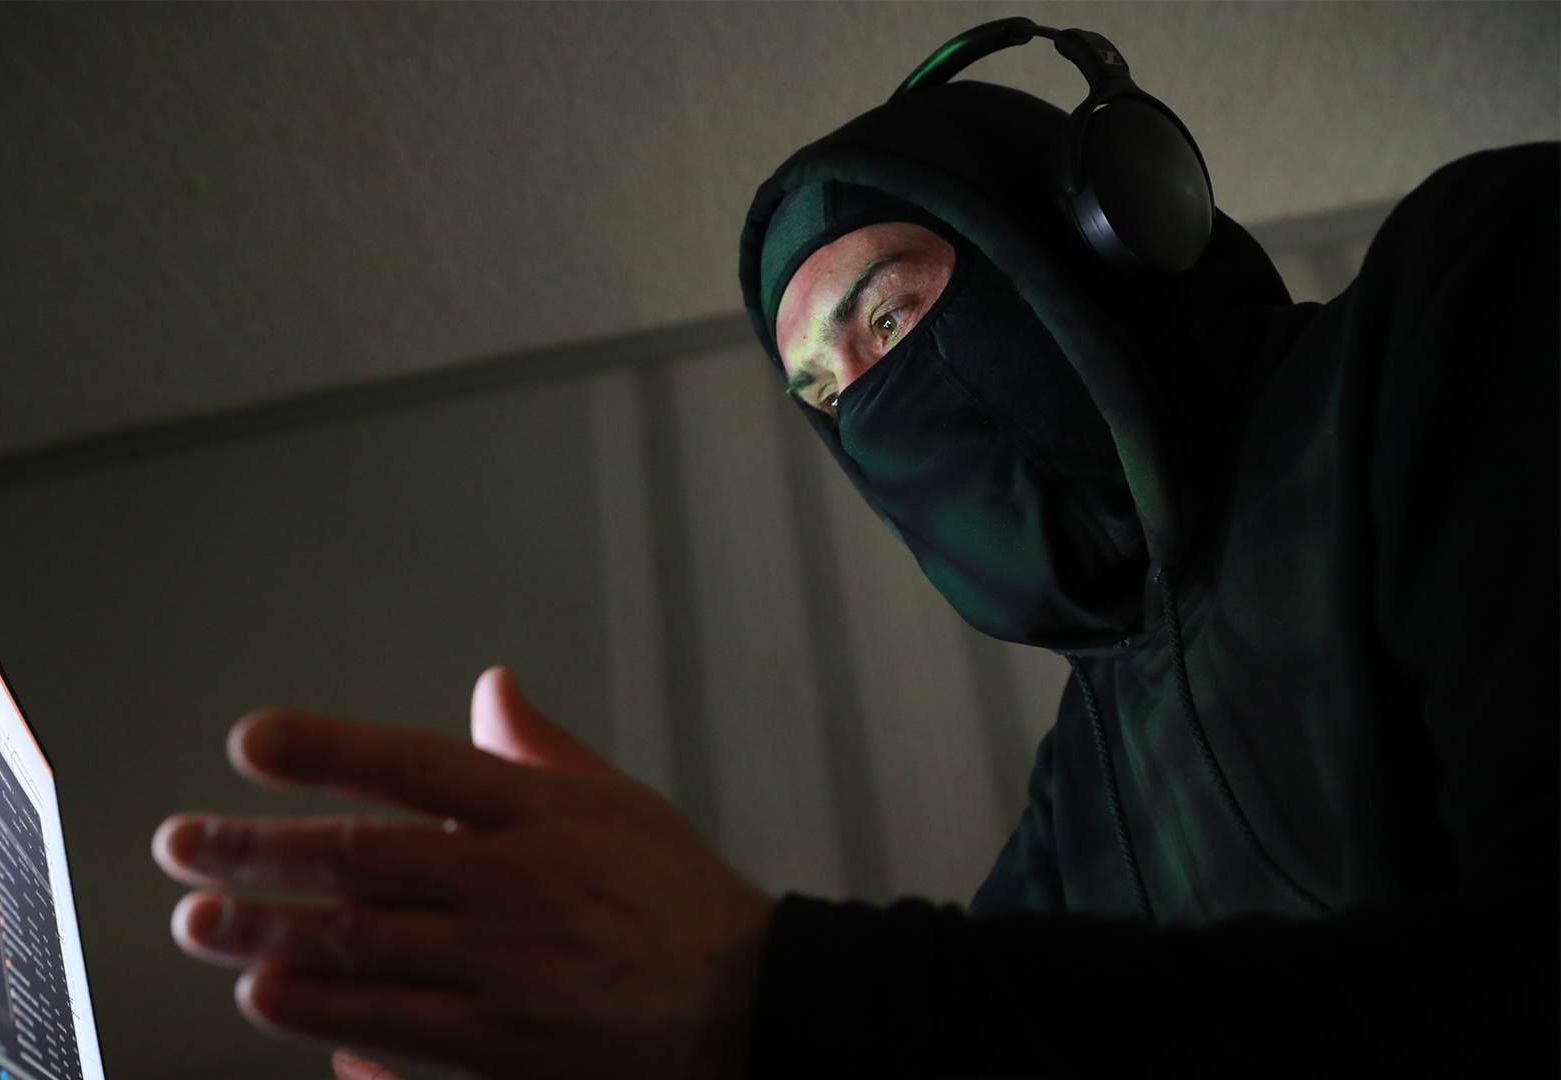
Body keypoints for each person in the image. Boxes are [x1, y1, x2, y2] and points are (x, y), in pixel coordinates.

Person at [153, 24, 1558, 1079]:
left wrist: (757, 991)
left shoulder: (1464, 304)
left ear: (1096, 233)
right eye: (829, 396)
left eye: (887, 317)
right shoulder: (1081, 798)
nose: (874, 406)